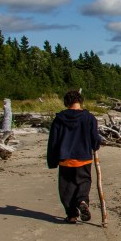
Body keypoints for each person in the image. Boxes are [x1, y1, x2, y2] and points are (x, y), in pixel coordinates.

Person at [47, 90, 102, 224]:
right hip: (83, 157)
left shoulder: (59, 119)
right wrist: (95, 145)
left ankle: (72, 215)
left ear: (66, 103)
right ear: (80, 101)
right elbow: (95, 137)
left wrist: (52, 160)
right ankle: (82, 200)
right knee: (83, 182)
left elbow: (53, 141)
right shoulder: (89, 118)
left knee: (66, 188)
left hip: (65, 159)